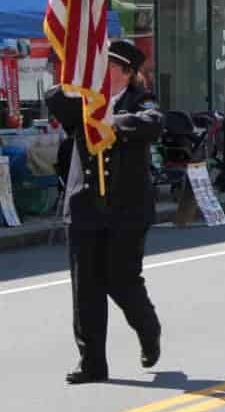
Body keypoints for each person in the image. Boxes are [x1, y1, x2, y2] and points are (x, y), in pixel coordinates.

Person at [45, 40, 164, 384]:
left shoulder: (141, 101)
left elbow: (153, 123)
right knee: (86, 287)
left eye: (107, 65)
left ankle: (148, 328)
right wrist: (75, 71)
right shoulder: (81, 100)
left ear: (127, 73)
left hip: (127, 208)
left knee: (121, 280)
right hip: (83, 206)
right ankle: (92, 361)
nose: (99, 70)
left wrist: (107, 121)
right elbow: (54, 96)